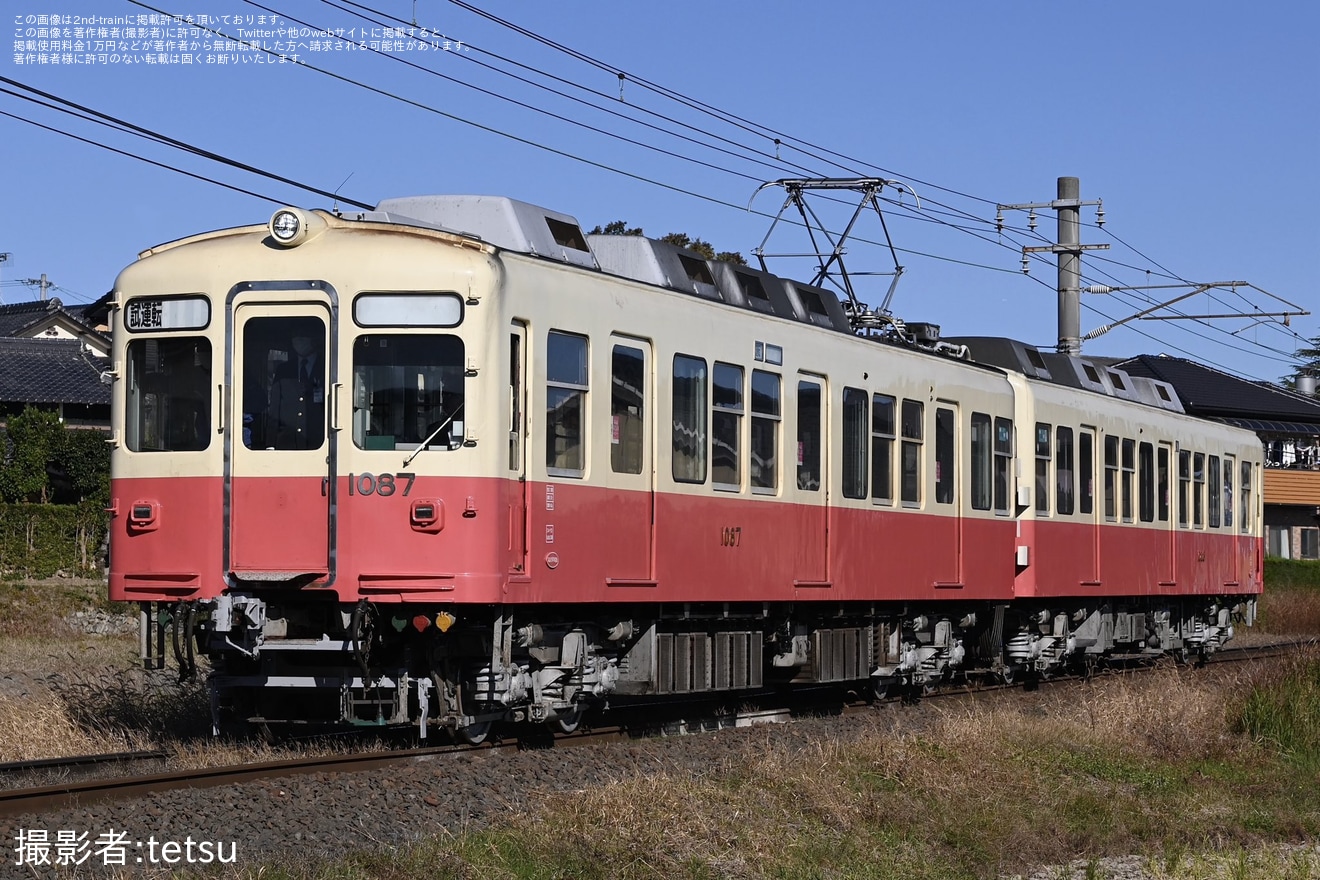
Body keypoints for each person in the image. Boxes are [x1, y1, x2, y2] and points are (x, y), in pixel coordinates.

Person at [269, 333, 326, 449]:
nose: (298, 341)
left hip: (319, 443)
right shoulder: (284, 370)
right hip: (287, 442)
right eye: (295, 338)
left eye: (303, 337)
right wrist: (270, 443)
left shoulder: (327, 367)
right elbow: (275, 408)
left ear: (313, 340)